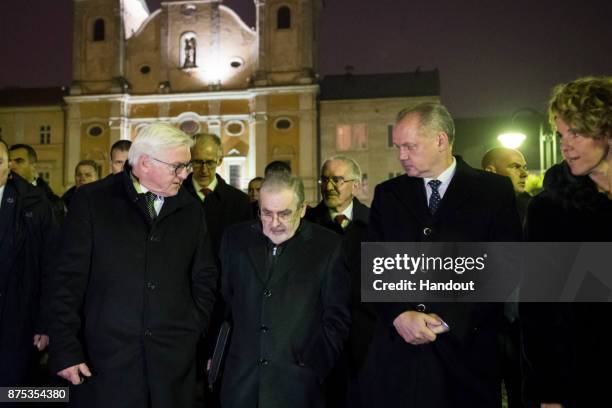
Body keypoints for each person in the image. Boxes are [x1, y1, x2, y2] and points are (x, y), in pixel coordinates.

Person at [361, 102, 521, 408]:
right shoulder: (388, 194)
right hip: (399, 360)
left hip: (467, 359)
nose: (401, 155)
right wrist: (399, 314)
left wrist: (448, 318)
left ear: (441, 140)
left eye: (409, 146)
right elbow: (373, 266)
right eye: (398, 147)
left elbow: (505, 266)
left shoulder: (494, 191)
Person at [49, 123, 218, 408]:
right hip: (105, 362)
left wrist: (192, 327)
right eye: (178, 166)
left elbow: (204, 276)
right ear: (144, 163)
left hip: (171, 364)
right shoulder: (92, 201)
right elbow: (67, 280)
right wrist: (65, 349)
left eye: (187, 165)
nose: (186, 173)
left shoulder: (190, 208)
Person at [219, 173, 350, 408]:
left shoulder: (328, 246)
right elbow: (223, 303)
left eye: (284, 214)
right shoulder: (234, 239)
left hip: (298, 384)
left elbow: (337, 317)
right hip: (240, 383)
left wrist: (314, 365)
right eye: (266, 213)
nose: (274, 223)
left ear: (302, 209)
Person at [522, 76, 612, 408]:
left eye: (576, 132)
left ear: (607, 130)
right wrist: (549, 391)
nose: (566, 145)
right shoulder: (550, 209)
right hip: (582, 380)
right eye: (561, 135)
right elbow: (539, 309)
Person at [305, 156, 374, 407]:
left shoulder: (376, 223)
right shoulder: (305, 223)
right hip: (319, 332)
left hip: (364, 335)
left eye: (337, 179)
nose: (329, 186)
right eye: (325, 179)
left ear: (355, 185)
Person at [0, 139, 58, 388]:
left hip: (18, 321)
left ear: (8, 165)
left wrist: (45, 322)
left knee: (12, 392)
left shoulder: (35, 204)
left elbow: (51, 267)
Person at [183, 133, 252, 255]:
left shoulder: (240, 202)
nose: (204, 170)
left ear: (220, 161)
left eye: (210, 163)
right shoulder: (174, 197)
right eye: (198, 162)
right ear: (189, 160)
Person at [8, 143, 65, 223]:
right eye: (9, 161)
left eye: (19, 161)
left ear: (33, 166)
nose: (11, 166)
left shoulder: (52, 202)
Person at [482, 147, 531, 223]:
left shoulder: (532, 208)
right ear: (490, 171)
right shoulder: (470, 209)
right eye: (515, 167)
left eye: (524, 168)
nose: (524, 174)